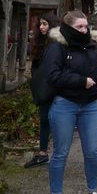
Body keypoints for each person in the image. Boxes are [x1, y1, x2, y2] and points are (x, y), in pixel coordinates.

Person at [43, 10, 97, 194]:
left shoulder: (93, 46)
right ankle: (56, 191)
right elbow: (52, 75)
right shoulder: (58, 46)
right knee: (61, 153)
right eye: (79, 27)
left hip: (90, 104)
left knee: (92, 151)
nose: (84, 30)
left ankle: (93, 189)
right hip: (64, 103)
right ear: (68, 27)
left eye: (86, 26)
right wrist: (81, 81)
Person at [25, 12, 60, 168]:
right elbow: (35, 66)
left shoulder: (58, 44)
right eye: (40, 24)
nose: (42, 27)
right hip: (42, 87)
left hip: (56, 86)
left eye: (45, 24)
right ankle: (43, 153)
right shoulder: (38, 42)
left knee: (58, 121)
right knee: (44, 119)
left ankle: (57, 154)